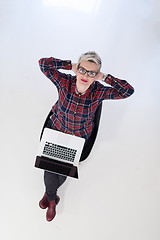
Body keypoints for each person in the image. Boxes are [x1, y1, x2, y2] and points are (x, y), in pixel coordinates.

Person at [38, 51, 134, 221]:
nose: (86, 76)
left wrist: (105, 77)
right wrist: (69, 66)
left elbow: (127, 91)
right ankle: (52, 200)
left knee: (63, 171)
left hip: (78, 139)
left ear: (96, 75)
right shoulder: (65, 81)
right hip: (57, 131)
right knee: (50, 169)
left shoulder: (98, 91)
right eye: (83, 70)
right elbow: (43, 63)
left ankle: (49, 194)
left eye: (92, 73)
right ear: (77, 68)